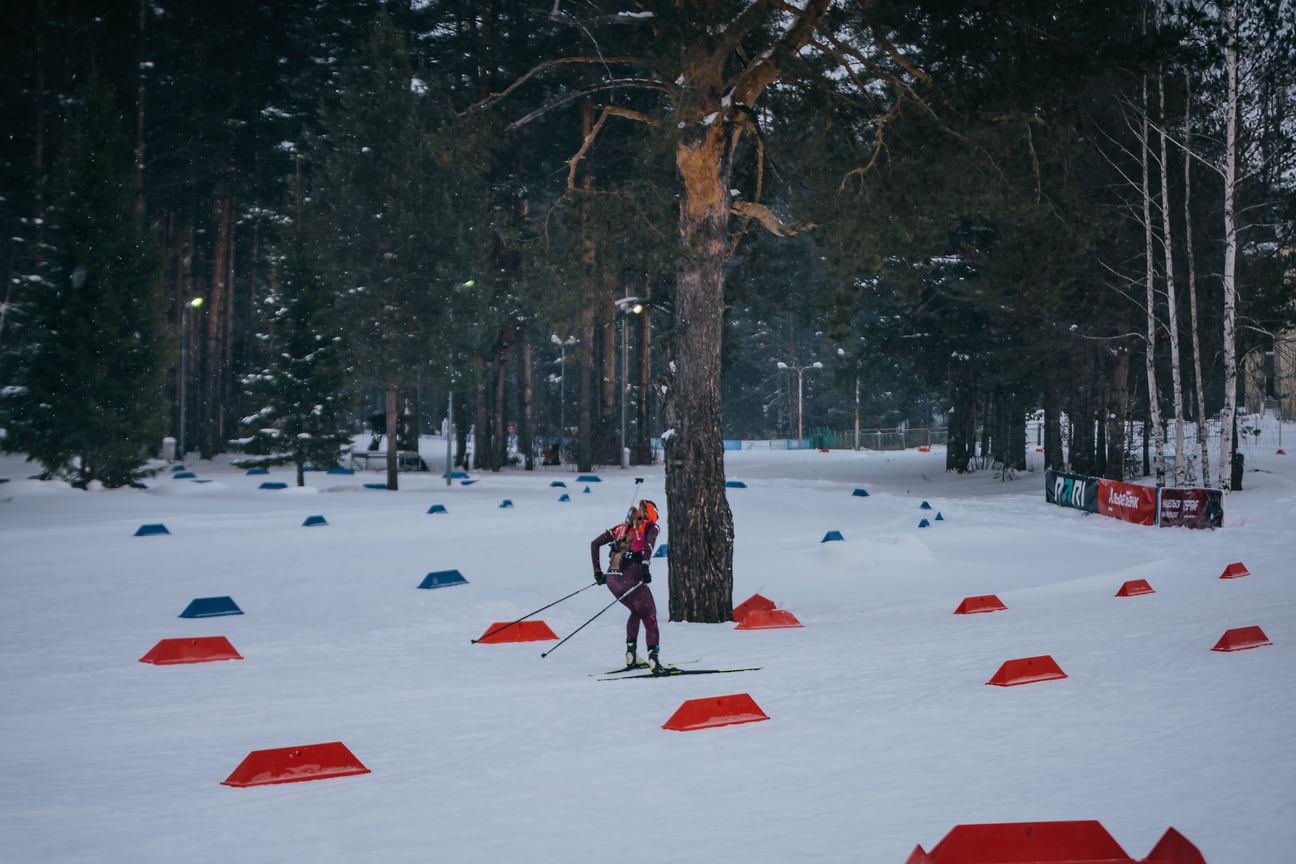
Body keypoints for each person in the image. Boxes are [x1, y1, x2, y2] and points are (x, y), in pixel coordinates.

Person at [590, 499, 664, 673]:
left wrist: (598, 572)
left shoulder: (621, 528)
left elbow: (594, 544)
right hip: (633, 576)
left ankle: (631, 655)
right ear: (653, 513)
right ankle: (654, 659)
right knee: (649, 615)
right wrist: (645, 568)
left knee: (636, 611)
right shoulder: (651, 527)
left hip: (612, 579)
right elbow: (649, 546)